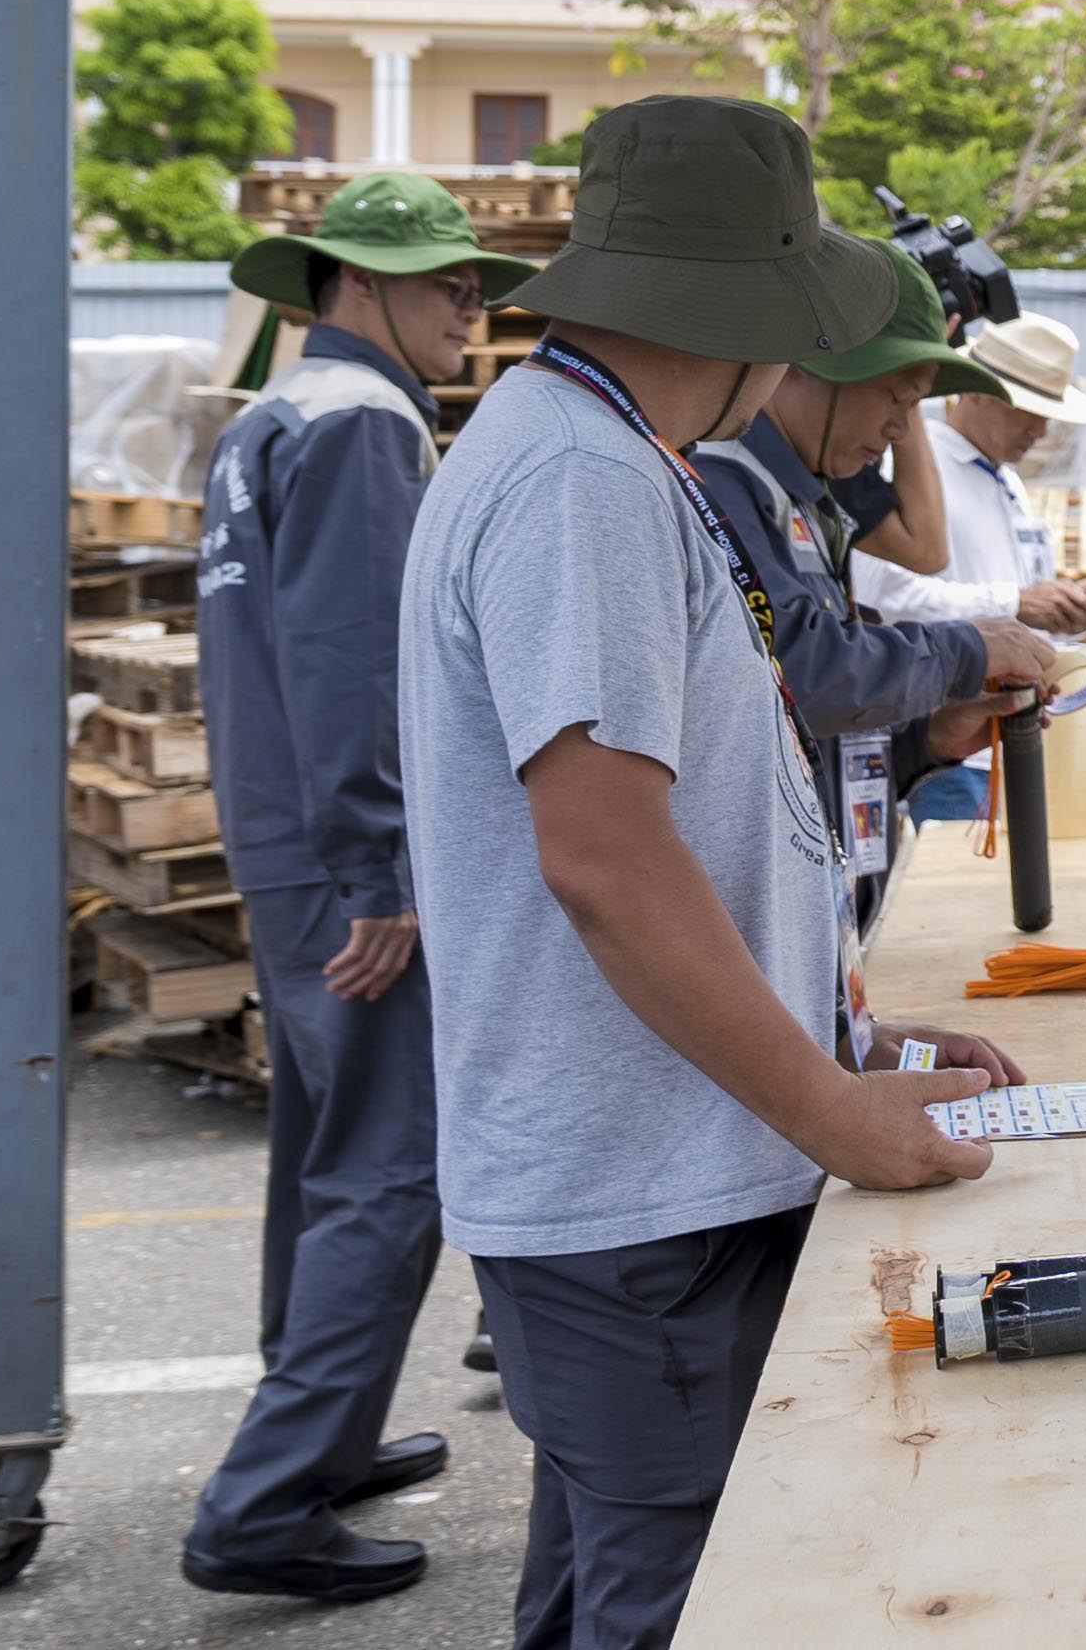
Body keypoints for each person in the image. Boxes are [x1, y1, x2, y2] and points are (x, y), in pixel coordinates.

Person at [399, 95, 1025, 1648]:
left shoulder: (615, 454)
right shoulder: (586, 481)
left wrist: (842, 1033)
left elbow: (690, 820)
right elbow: (606, 857)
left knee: (601, 1580)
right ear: (758, 307)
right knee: (684, 1599)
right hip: (644, 1189)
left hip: (656, 1158)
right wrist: (828, 1106)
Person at [178, 176, 540, 1606]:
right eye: (449, 283)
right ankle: (269, 1497)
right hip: (346, 857)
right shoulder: (367, 425)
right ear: (359, 284)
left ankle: (320, 1434)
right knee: (391, 1169)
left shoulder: (273, 414)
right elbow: (351, 659)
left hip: (281, 837)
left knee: (323, 1153)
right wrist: (384, 865)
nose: (472, 308)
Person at [692, 240, 1059, 932]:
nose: (899, 430)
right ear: (814, 364)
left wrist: (929, 740)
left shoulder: (803, 496)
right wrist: (967, 650)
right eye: (896, 398)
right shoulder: (725, 486)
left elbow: (809, 736)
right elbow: (801, 675)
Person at [850, 314, 1086, 824]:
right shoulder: (913, 473)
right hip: (948, 742)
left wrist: (1061, 610)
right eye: (1026, 409)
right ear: (973, 392)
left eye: (1047, 413)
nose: (1039, 429)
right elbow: (880, 594)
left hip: (1002, 737)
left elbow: (1013, 593)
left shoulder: (1006, 481)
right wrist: (1015, 604)